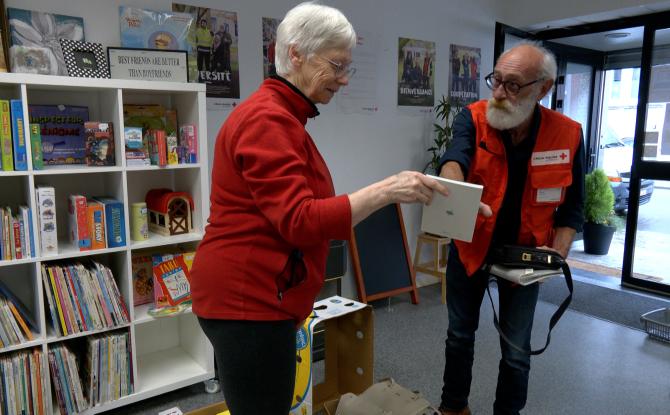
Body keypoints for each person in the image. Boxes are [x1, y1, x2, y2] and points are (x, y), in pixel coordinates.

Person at [189, 3, 448, 415]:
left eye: (349, 68)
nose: (344, 79)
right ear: (296, 54)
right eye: (337, 65)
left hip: (259, 297)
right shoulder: (267, 120)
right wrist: (388, 190)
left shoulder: (285, 117)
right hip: (247, 304)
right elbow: (300, 220)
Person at [438, 42, 585, 415]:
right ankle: (454, 407)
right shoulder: (473, 118)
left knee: (517, 349)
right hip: (472, 244)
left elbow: (572, 207)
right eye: (496, 81)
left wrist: (560, 252)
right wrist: (452, 190)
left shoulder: (567, 134)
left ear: (543, 89)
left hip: (526, 254)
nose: (500, 93)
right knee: (459, 335)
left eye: (513, 85)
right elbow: (455, 157)